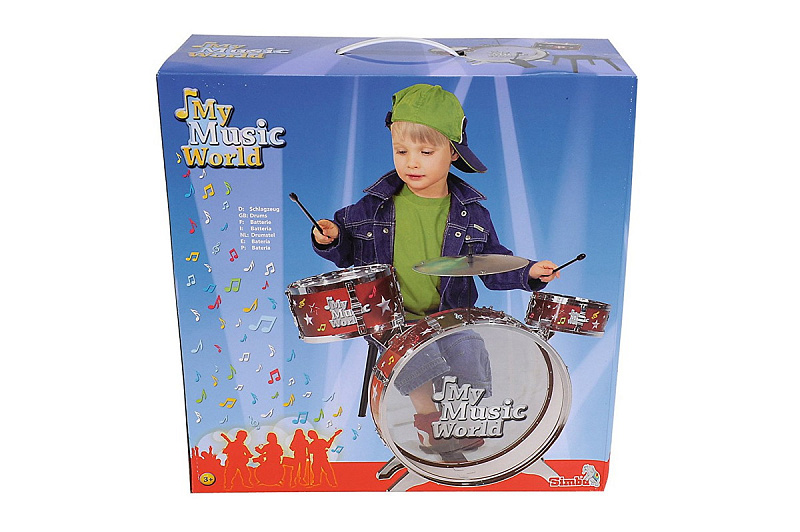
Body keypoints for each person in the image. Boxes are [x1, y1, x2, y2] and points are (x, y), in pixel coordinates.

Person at [312, 84, 559, 454]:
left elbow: (492, 262)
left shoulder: (473, 214)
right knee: (417, 353)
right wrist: (330, 239)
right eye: (401, 151)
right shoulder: (372, 208)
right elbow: (346, 250)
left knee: (471, 348)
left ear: (453, 154)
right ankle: (428, 421)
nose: (412, 162)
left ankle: (463, 417)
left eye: (426, 152)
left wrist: (528, 272)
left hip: (450, 316)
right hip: (391, 318)